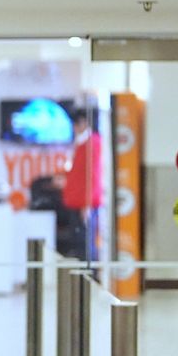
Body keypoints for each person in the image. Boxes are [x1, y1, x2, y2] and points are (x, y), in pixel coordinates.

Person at [59, 109, 104, 260]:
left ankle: (90, 278)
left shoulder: (92, 143)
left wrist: (87, 203)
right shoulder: (82, 143)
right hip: (76, 201)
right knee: (79, 243)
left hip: (84, 203)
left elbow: (93, 175)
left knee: (86, 243)